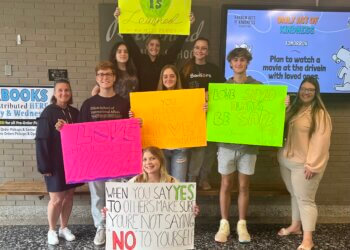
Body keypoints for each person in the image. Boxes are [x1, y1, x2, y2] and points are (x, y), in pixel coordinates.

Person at [277, 77, 332, 250]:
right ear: (299, 90)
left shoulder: (320, 114)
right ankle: (295, 226)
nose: (306, 92)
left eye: (310, 90)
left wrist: (313, 165)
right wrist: (282, 107)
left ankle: (308, 239)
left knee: (306, 200)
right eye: (303, 89)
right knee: (295, 195)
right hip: (287, 161)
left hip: (305, 165)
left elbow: (321, 141)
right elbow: (277, 125)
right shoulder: (295, 108)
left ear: (316, 93)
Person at [79, 61, 130, 246]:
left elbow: (130, 133)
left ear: (114, 77)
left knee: (116, 194)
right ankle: (101, 227)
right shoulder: (88, 104)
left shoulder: (124, 104)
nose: (104, 78)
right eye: (101, 74)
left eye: (108, 74)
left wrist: (136, 123)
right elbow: (80, 133)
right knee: (98, 195)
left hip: (117, 160)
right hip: (95, 160)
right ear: (96, 78)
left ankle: (117, 225)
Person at [214, 48, 262, 244]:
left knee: (244, 185)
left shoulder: (258, 87)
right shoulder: (223, 88)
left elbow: (266, 113)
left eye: (243, 60)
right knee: (225, 184)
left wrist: (280, 104)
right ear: (231, 64)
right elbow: (216, 115)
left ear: (247, 63)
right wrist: (209, 107)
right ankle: (224, 224)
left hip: (248, 146)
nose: (239, 63)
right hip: (226, 144)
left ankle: (242, 224)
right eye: (235, 60)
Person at [35, 79, 83, 245]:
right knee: (56, 199)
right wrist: (44, 166)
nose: (64, 93)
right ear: (54, 93)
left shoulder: (75, 112)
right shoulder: (48, 113)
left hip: (73, 162)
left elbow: (83, 135)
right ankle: (51, 230)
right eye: (60, 90)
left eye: (67, 90)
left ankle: (64, 227)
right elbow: (41, 139)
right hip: (54, 163)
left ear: (70, 93)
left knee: (69, 196)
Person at [180, 37, 225, 190]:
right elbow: (179, 93)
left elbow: (223, 92)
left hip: (212, 115)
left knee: (211, 148)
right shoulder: (185, 69)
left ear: (208, 51)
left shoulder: (214, 70)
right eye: (197, 48)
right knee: (198, 149)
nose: (200, 51)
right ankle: (192, 178)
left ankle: (204, 178)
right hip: (193, 115)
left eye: (204, 48)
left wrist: (210, 96)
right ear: (193, 50)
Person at [114, 7, 195, 91]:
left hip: (161, 98)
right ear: (147, 46)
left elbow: (177, 46)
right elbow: (130, 42)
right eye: (151, 44)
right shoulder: (140, 59)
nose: (154, 47)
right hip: (143, 98)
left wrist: (188, 24)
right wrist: (120, 20)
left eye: (157, 45)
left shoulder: (164, 60)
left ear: (160, 47)